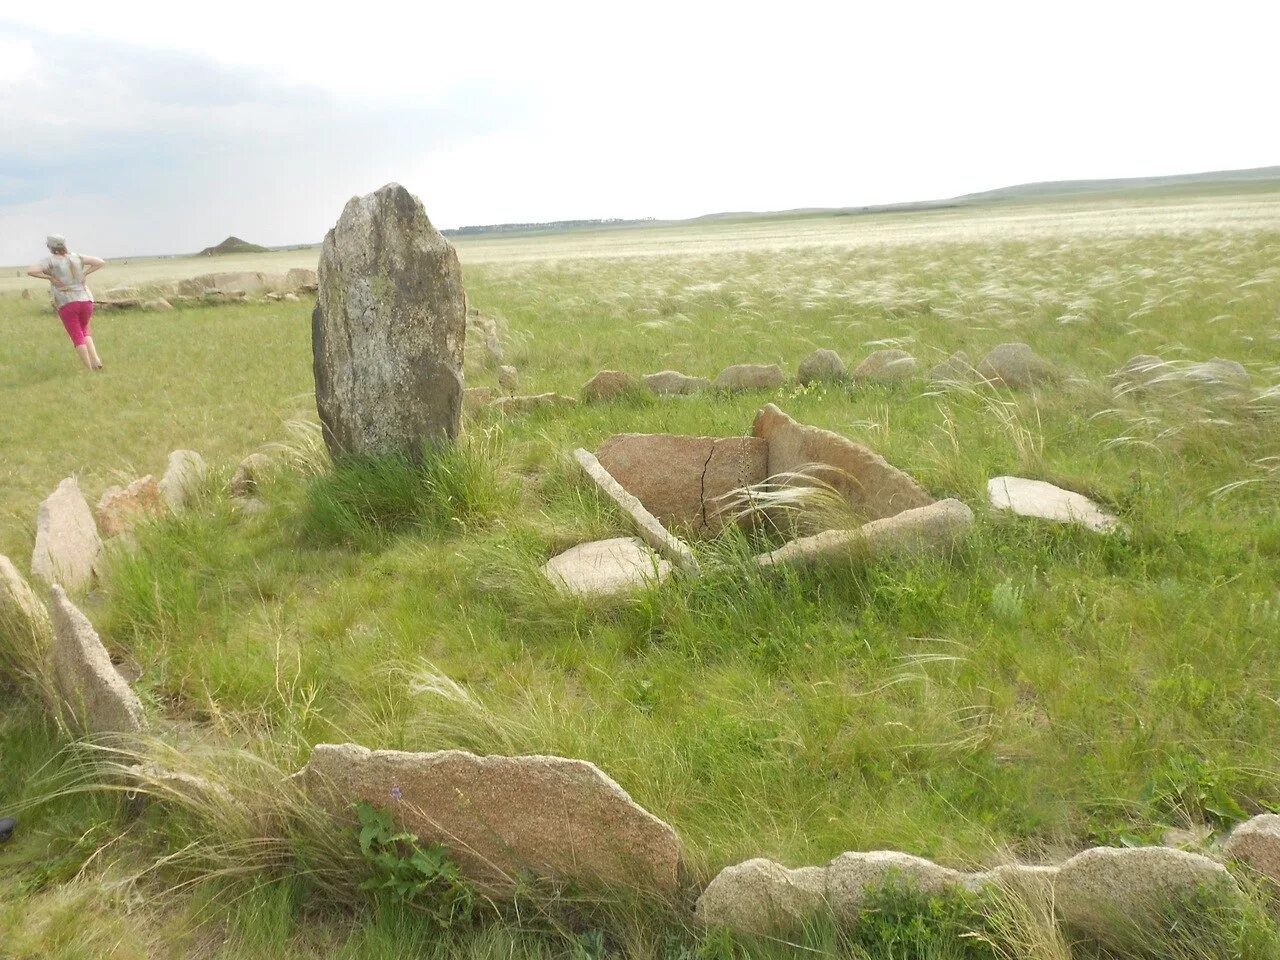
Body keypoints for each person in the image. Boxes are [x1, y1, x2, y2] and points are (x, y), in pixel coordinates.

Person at [27, 235, 106, 370]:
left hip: (67, 302)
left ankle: (89, 369)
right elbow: (100, 262)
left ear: (50, 247)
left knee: (76, 335)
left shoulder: (50, 260)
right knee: (84, 331)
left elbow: (31, 271)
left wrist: (49, 277)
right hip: (86, 299)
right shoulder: (77, 257)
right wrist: (85, 273)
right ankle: (96, 361)